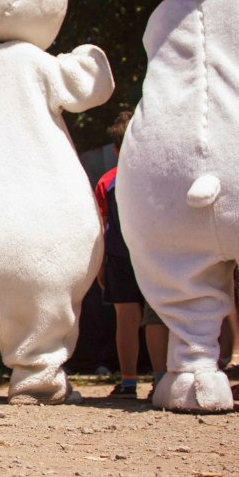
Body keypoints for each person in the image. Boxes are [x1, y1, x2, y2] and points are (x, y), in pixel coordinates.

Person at [96, 111, 167, 399]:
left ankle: (127, 382)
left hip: (118, 255)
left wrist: (100, 266)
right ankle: (161, 381)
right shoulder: (159, 176)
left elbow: (101, 226)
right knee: (156, 317)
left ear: (114, 149)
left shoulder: (107, 181)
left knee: (125, 317)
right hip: (154, 254)